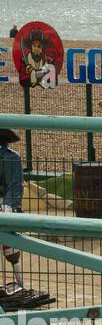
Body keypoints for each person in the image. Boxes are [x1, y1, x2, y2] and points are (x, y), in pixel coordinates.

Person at [0, 128, 54, 309]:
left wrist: (8, 206)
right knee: (11, 249)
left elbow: (14, 186)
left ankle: (20, 286)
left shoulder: (10, 158)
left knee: (10, 249)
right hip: (5, 205)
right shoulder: (11, 157)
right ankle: (19, 285)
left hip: (4, 205)